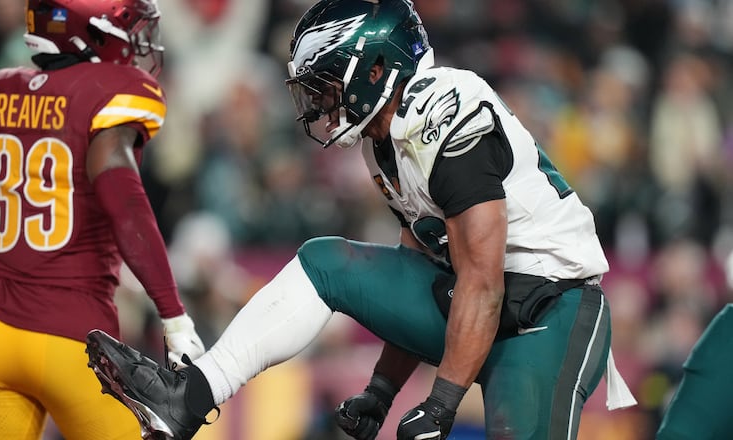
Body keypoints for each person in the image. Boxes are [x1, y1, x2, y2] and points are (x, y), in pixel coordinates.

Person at [85, 0, 637, 439]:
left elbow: (484, 281)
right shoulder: (384, 143)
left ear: (376, 68)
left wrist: (441, 404)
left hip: (550, 311)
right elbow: (421, 269)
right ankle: (190, 398)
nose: (317, 103)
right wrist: (381, 390)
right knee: (326, 262)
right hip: (477, 300)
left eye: (325, 83)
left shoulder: (446, 109)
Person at [0, 0, 205, 439]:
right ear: (89, 30)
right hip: (72, 336)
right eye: (125, 27)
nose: (135, 40)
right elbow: (126, 205)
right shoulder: (111, 92)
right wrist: (174, 316)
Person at [656, 303, 733, 439]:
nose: (677, 332)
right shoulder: (659, 371)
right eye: (673, 326)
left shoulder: (717, 361)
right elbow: (649, 406)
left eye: (684, 325)